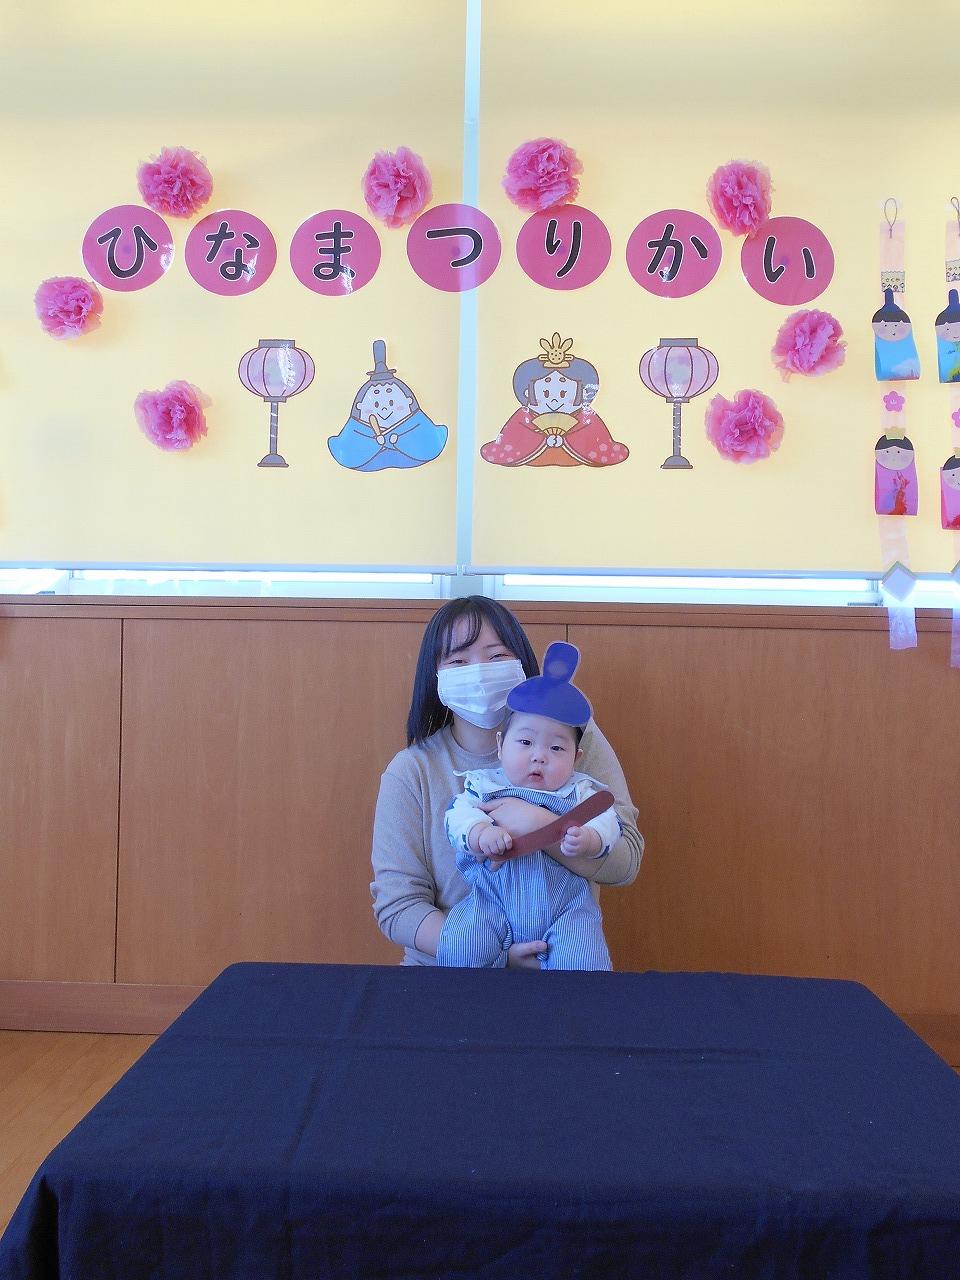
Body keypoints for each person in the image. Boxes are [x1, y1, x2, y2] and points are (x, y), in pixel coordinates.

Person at [370, 596, 643, 969]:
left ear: (521, 663)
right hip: (446, 971)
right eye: (458, 661)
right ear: (435, 677)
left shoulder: (569, 738)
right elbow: (398, 907)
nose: (480, 673)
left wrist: (543, 826)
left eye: (497, 656)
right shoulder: (412, 771)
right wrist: (495, 956)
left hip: (563, 959)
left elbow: (625, 862)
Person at [437, 642, 618, 970]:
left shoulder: (580, 790)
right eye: (525, 742)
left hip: (566, 908)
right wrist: (479, 833)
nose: (539, 756)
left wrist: (591, 839)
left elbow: (607, 819)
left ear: (576, 758)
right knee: (463, 947)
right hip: (492, 902)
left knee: (583, 963)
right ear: (500, 745)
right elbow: (457, 816)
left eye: (556, 748)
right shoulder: (484, 785)